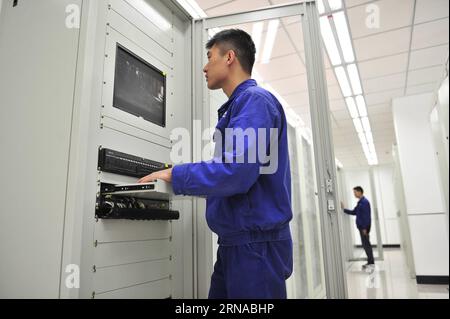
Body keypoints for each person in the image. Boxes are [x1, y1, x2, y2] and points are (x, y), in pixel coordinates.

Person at [138, 29, 293, 299]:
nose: (204, 67)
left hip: (255, 249)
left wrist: (176, 174)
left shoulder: (254, 101)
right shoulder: (240, 107)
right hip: (236, 245)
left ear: (229, 57)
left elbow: (237, 172)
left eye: (210, 57)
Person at [341, 186, 375, 271]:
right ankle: (370, 261)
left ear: (360, 192)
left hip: (364, 227)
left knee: (366, 245)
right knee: (365, 244)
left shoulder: (364, 202)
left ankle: (371, 263)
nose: (354, 194)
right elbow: (354, 212)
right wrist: (343, 209)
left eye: (355, 192)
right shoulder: (360, 202)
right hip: (362, 227)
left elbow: (366, 217)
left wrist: (364, 228)